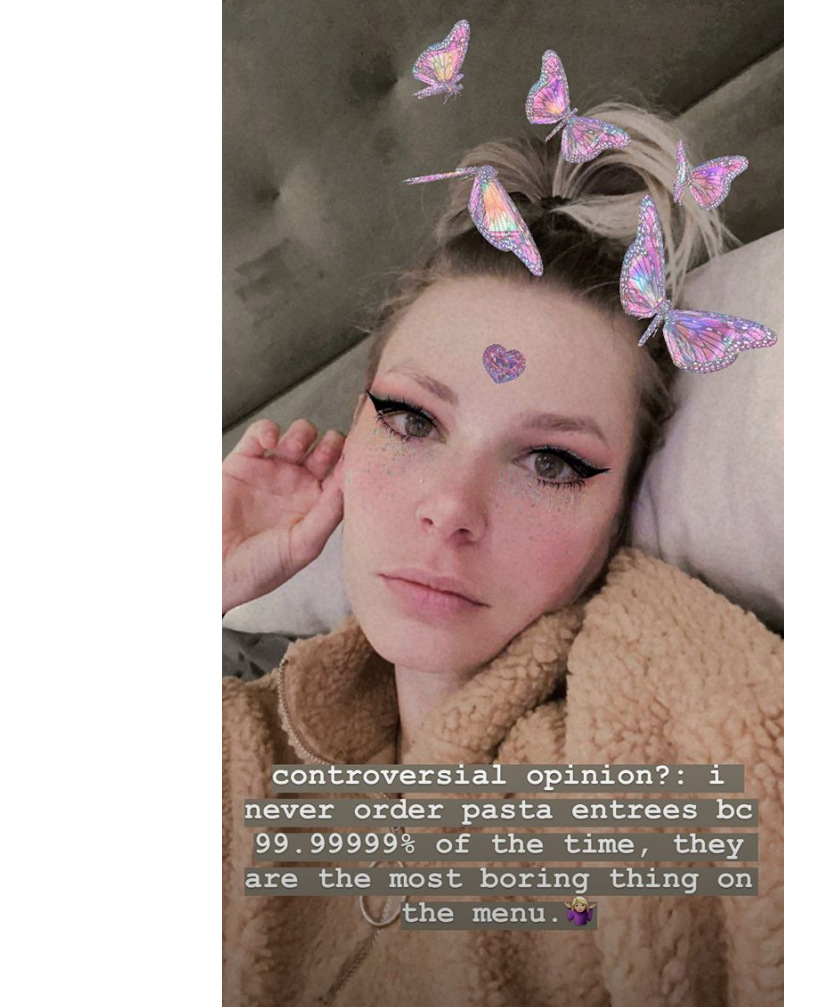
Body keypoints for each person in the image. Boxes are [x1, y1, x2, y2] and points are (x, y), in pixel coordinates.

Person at [223, 102, 783, 1006]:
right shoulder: (242, 739)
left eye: (551, 462)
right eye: (412, 420)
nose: (451, 508)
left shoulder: (658, 743)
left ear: (620, 510)